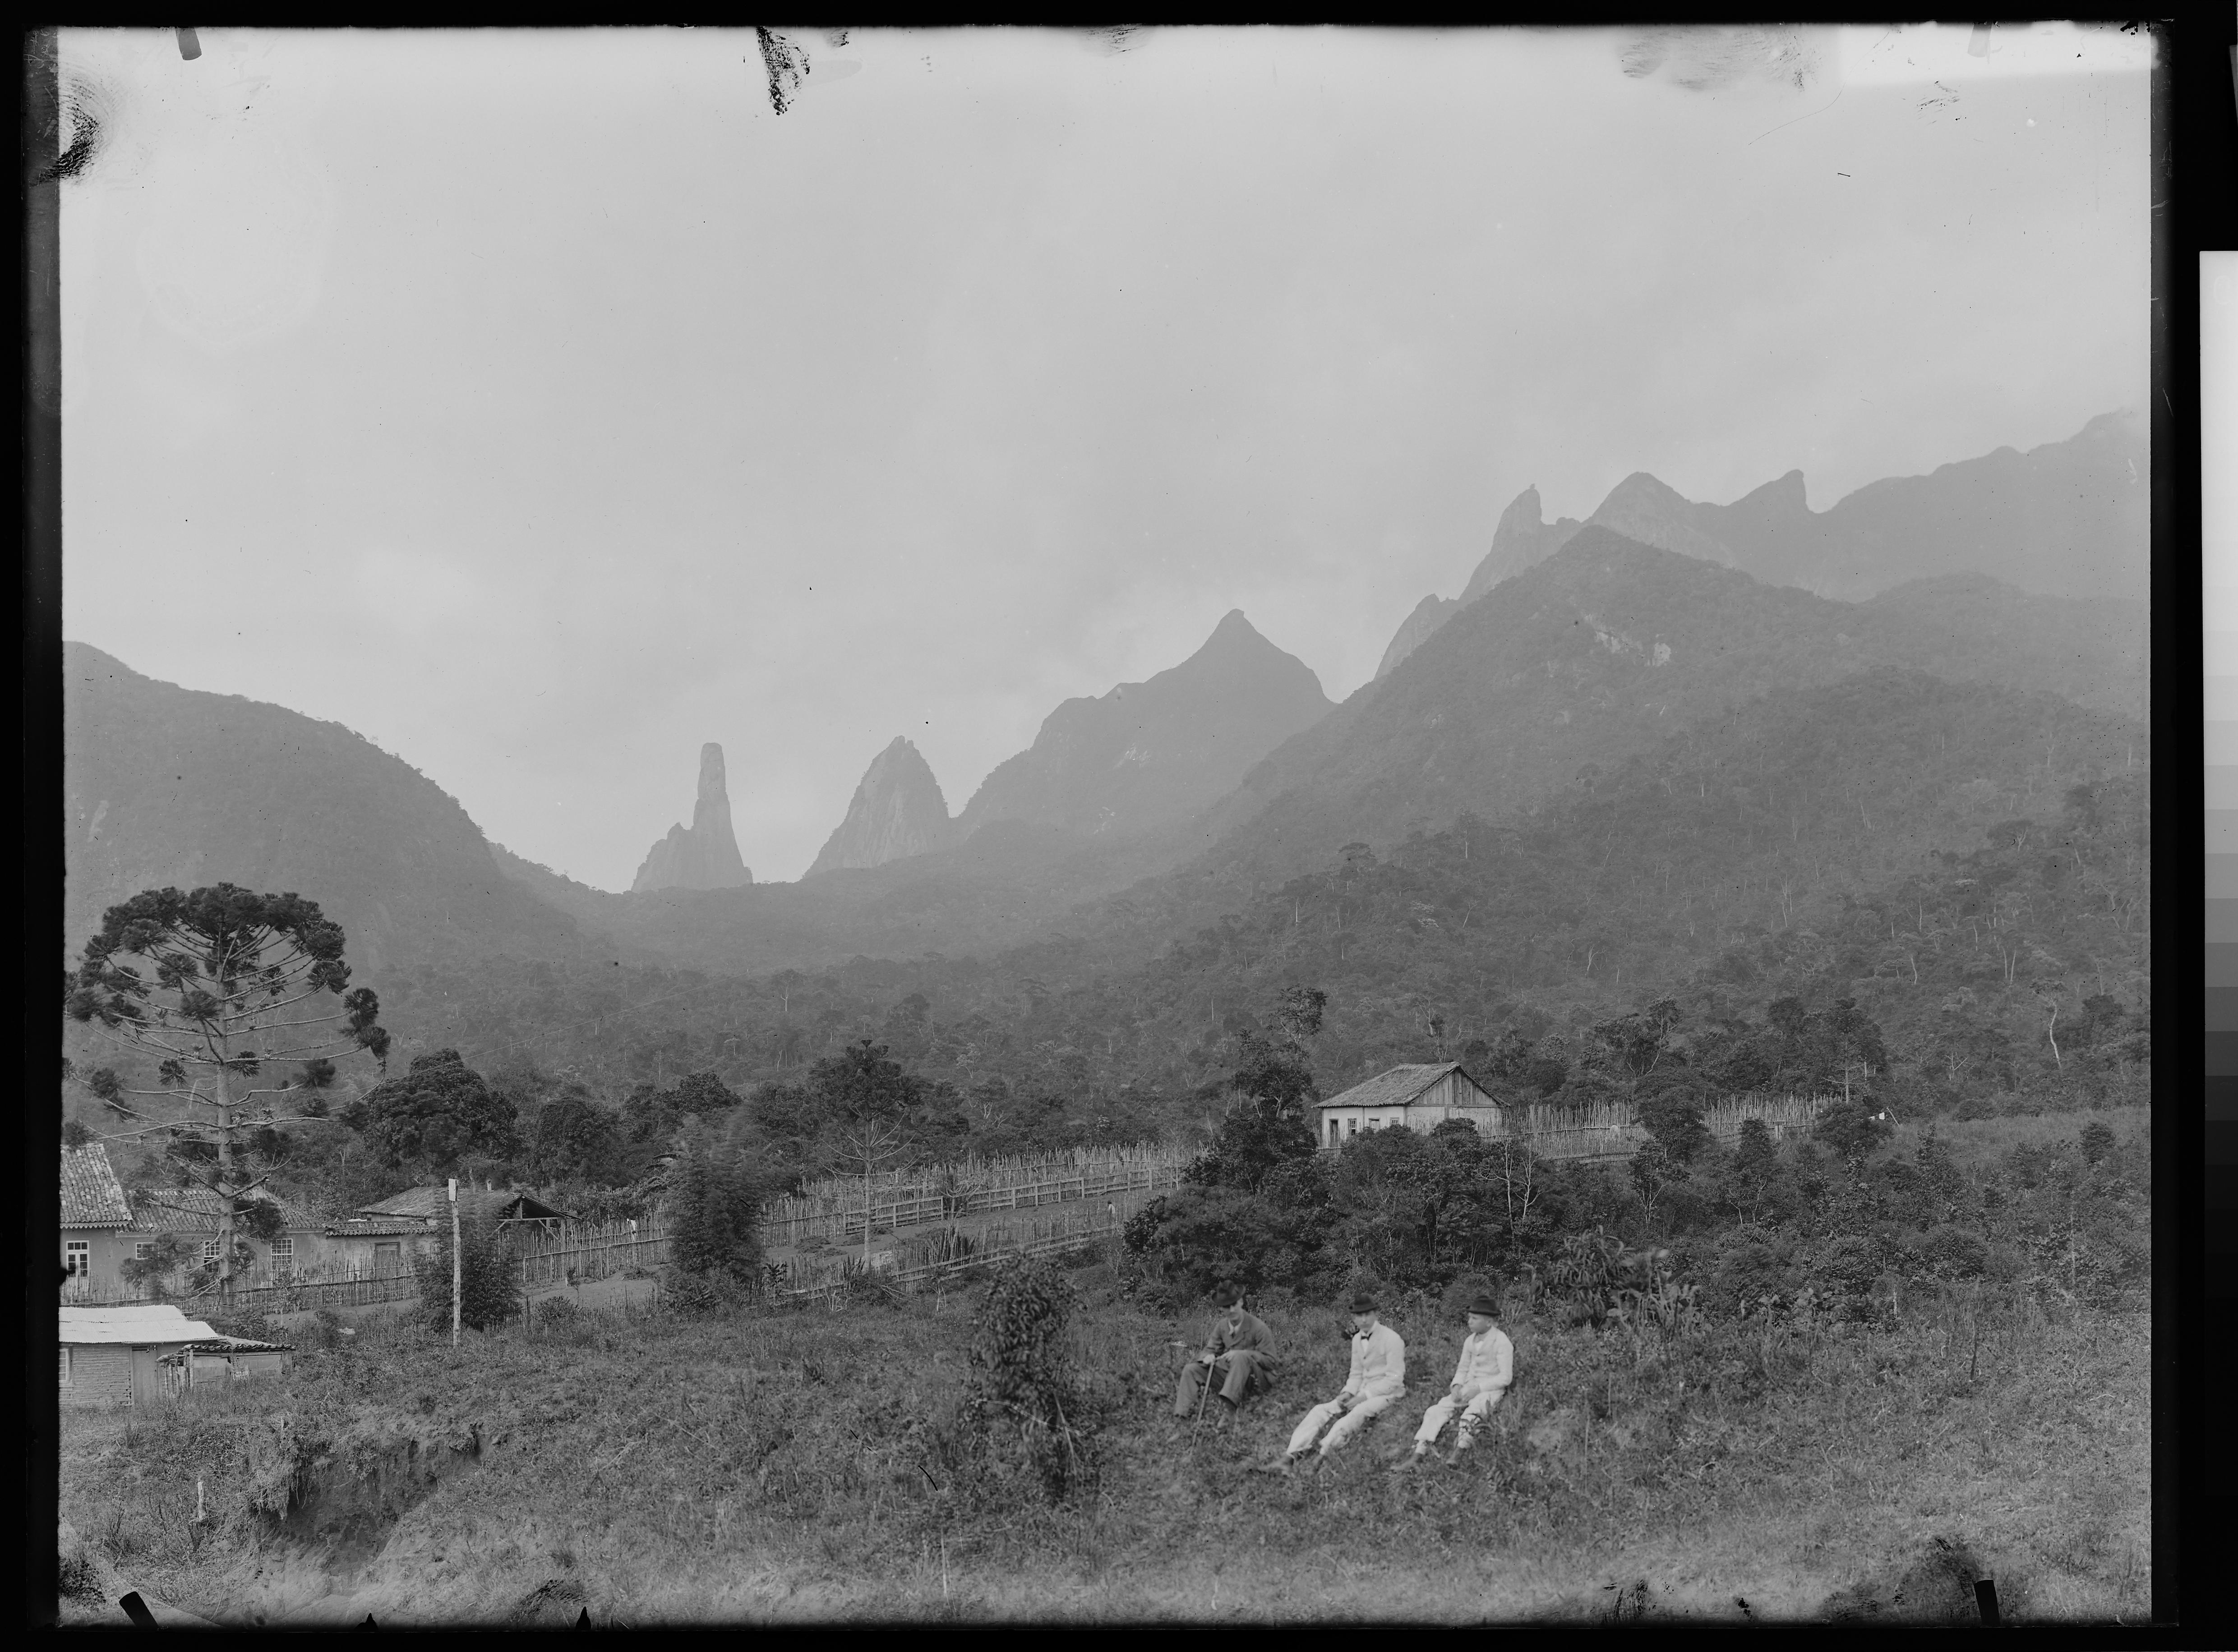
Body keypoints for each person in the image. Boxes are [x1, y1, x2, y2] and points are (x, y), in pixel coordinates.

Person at [1266, 1290, 1405, 1471]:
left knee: (1357, 1413)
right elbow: (1356, 1374)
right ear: (1354, 1318)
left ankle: (1321, 1457)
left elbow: (1395, 1380)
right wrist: (1347, 1393)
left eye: (1368, 1314)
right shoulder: (1357, 1339)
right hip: (1361, 1391)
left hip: (1388, 1394)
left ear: (1376, 1314)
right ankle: (1290, 1456)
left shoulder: (1392, 1339)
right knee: (1320, 1410)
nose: (1364, 1320)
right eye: (1359, 1316)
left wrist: (1363, 1397)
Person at [1394, 1292, 1513, 1471]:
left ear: (1489, 1322)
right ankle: (1418, 1454)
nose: (1469, 1322)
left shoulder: (1502, 1342)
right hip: (1468, 1387)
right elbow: (1463, 1369)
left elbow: (1506, 1378)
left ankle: (1459, 1453)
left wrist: (1479, 1389)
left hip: (1490, 1389)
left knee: (1472, 1414)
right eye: (1469, 1318)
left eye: (1474, 1319)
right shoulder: (1470, 1341)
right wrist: (1457, 1386)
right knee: (1435, 1411)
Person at [1173, 1288, 1277, 1418]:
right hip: (1234, 1379)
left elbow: (1272, 1362)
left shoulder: (1259, 1327)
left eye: (1234, 1304)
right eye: (1227, 1307)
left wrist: (1245, 1354)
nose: (1232, 1310)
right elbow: (1210, 1349)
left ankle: (1229, 1412)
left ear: (1241, 1302)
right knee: (1191, 1370)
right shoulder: (1222, 1326)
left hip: (1257, 1381)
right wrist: (1207, 1357)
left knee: (1240, 1356)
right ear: (1222, 1309)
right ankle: (1182, 1416)